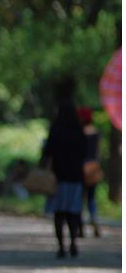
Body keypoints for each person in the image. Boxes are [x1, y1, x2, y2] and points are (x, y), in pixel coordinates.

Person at [43, 100, 87, 257]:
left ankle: (61, 246)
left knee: (59, 213)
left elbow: (46, 153)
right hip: (75, 177)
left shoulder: (56, 130)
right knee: (73, 212)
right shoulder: (79, 131)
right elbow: (85, 154)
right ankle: (74, 242)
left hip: (58, 177)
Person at [77, 107, 101, 238]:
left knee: (80, 199)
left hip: (81, 168)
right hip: (93, 167)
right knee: (91, 198)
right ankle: (94, 221)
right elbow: (98, 153)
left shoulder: (79, 132)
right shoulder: (96, 133)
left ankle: (80, 226)